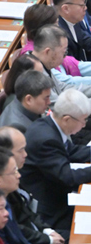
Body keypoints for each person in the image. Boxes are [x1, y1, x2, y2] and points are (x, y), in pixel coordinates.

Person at [22, 89, 91, 237]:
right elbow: (68, 176)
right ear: (67, 119)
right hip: (48, 211)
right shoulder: (47, 139)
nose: (84, 125)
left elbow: (71, 151)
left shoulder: (48, 125)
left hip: (55, 194)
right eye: (83, 120)